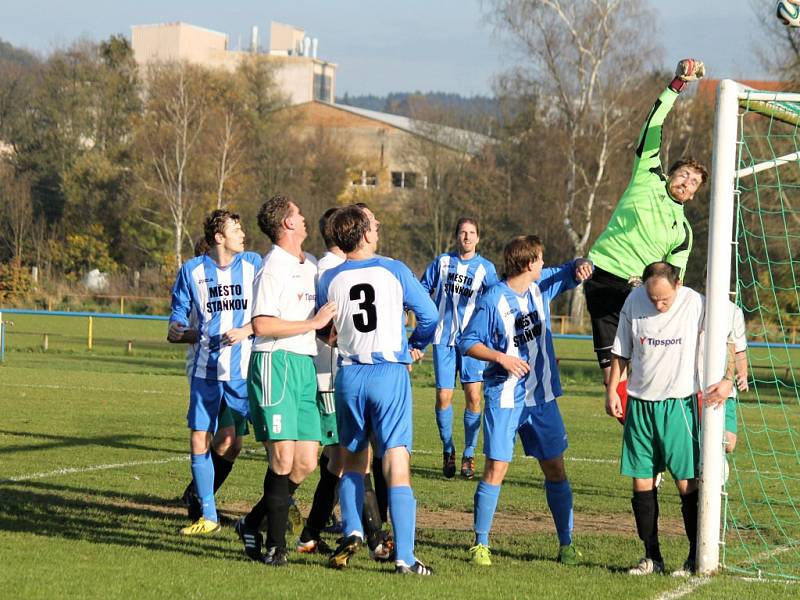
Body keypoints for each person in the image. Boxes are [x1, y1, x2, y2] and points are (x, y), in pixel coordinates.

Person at [317, 204, 438, 575]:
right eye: (374, 224)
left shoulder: (329, 279)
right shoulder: (394, 269)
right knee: (396, 461)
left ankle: (353, 527)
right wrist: (415, 344)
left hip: (350, 375)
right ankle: (404, 557)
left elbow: (325, 330)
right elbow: (430, 315)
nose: (378, 228)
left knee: (353, 461)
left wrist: (345, 342)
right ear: (366, 234)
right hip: (388, 372)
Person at [584, 58, 709, 416]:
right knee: (616, 393)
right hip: (603, 280)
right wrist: (677, 84)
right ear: (671, 173)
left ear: (695, 194)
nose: (687, 183)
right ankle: (645, 452)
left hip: (639, 294)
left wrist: (657, 293)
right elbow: (654, 122)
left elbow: (675, 280)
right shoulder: (647, 174)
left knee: (652, 378)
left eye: (694, 183)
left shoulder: (683, 232)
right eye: (684, 175)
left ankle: (669, 448)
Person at [459, 235, 592, 567]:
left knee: (555, 469)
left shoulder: (540, 286)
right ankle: (481, 544)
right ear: (529, 262)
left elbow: (571, 269)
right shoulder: (493, 300)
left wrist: (581, 263)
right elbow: (467, 341)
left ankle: (567, 543)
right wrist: (501, 358)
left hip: (542, 397)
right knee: (496, 468)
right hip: (504, 395)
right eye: (541, 259)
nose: (544, 264)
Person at [606, 262, 733, 576]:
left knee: (687, 482)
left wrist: (729, 377)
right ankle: (652, 557)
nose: (658, 304)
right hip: (639, 403)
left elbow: (727, 337)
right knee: (641, 481)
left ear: (678, 285)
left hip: (679, 403)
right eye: (653, 298)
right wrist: (612, 390)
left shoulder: (696, 302)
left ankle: (694, 558)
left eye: (664, 299)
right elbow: (621, 351)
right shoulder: (635, 300)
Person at [234, 194, 336, 566]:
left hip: (305, 364)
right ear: (287, 224)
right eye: (299, 214)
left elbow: (318, 317)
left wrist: (329, 332)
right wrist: (313, 324)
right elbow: (262, 324)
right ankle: (276, 547)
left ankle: (252, 521)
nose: (305, 218)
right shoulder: (272, 266)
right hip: (275, 364)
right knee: (282, 456)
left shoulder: (309, 263)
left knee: (307, 460)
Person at [297, 206, 394, 561]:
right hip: (333, 378)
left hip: (337, 377)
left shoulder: (329, 269)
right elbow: (327, 332)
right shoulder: (330, 272)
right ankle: (374, 538)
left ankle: (312, 534)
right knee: (353, 461)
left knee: (337, 463)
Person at [168, 210, 261, 535]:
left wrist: (248, 329)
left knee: (261, 440)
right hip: (204, 371)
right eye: (236, 228)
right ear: (219, 237)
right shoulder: (192, 271)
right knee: (199, 436)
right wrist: (178, 328)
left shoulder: (253, 264)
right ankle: (207, 514)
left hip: (244, 371)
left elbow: (271, 306)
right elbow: (178, 312)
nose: (243, 233)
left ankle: (277, 504)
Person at [179, 236, 252, 521]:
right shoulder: (198, 284)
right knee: (224, 437)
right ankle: (200, 502)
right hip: (208, 370)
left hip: (237, 368)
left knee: (234, 445)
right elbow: (180, 327)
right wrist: (198, 334)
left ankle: (199, 494)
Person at [421, 218, 498, 479]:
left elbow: (496, 301)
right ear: (456, 237)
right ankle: (448, 449)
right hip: (443, 340)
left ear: (478, 238)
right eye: (463, 233)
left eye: (471, 233)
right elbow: (422, 291)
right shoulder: (442, 263)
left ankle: (469, 453)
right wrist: (427, 315)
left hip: (473, 344)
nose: (466, 237)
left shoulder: (486, 269)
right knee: (443, 398)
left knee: (474, 398)